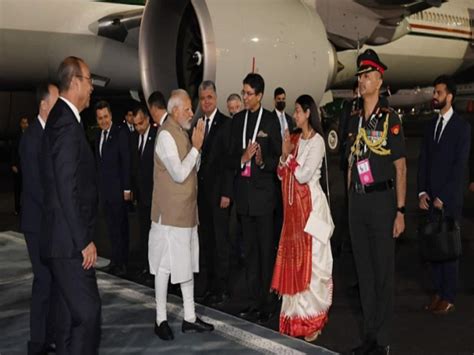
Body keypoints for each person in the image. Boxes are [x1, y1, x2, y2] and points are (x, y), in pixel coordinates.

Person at [345, 49, 406, 355]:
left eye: (367, 76)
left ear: (379, 81)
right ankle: (369, 335)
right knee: (364, 272)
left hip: (382, 202)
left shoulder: (390, 118)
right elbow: (350, 161)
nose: (362, 81)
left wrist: (400, 210)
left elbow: (400, 166)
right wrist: (348, 204)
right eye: (360, 76)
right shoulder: (354, 117)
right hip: (358, 202)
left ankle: (382, 340)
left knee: (382, 272)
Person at [40, 56, 101, 354]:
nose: (91, 88)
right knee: (89, 316)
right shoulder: (65, 123)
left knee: (67, 321)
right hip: (69, 245)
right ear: (75, 81)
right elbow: (67, 187)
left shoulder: (62, 119)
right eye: (89, 81)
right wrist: (83, 241)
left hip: (61, 242)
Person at [148, 89, 214, 341]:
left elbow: (193, 168)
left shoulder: (181, 133)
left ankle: (189, 317)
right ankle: (160, 319)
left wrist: (196, 149)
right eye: (187, 108)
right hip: (170, 215)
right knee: (165, 267)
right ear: (175, 110)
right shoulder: (166, 135)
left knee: (186, 265)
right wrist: (196, 149)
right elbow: (178, 173)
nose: (191, 112)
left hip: (185, 214)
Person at [271, 94, 333, 342]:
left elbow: (304, 175)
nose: (294, 115)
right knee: (294, 261)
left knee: (314, 264)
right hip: (292, 210)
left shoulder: (317, 141)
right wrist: (284, 155)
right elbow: (279, 173)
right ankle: (294, 318)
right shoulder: (294, 139)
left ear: (308, 113)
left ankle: (313, 320)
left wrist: (289, 157)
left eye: (297, 111)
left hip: (312, 209)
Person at [227, 73, 282, 323]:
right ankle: (252, 300)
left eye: (249, 93)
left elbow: (278, 158)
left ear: (259, 95)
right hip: (244, 198)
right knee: (249, 253)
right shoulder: (237, 120)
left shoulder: (270, 120)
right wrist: (243, 159)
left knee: (264, 252)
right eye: (244, 92)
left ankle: (267, 302)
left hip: (264, 198)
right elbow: (229, 157)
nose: (245, 97)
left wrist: (261, 161)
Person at [418, 75, 471, 314]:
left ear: (449, 96)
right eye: (434, 92)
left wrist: (444, 197)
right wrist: (421, 192)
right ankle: (438, 291)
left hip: (448, 199)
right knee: (433, 245)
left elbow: (459, 167)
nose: (434, 96)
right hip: (429, 199)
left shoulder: (462, 128)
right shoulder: (431, 126)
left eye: (438, 92)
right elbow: (423, 162)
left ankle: (449, 295)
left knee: (448, 246)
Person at [19, 83, 59, 354]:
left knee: (51, 281)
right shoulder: (32, 138)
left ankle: (48, 337)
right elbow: (36, 187)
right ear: (44, 105)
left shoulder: (48, 134)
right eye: (57, 102)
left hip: (48, 222)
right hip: (37, 225)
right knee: (43, 281)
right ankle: (37, 343)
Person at [194, 80, 233, 305]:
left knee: (221, 242)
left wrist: (227, 193)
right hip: (202, 195)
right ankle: (210, 285)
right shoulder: (198, 124)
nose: (206, 102)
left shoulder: (226, 124)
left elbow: (229, 162)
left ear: (216, 98)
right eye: (202, 98)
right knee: (206, 241)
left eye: (209, 97)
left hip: (220, 194)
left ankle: (223, 287)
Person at [94, 100, 131, 277]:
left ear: (111, 116)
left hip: (118, 191)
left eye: (106, 117)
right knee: (111, 228)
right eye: (100, 118)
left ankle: (123, 263)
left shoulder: (120, 133)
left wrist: (126, 189)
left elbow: (126, 162)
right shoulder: (98, 136)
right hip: (106, 192)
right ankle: (115, 261)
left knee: (121, 228)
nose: (103, 121)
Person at [131, 104, 157, 279]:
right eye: (135, 124)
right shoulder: (134, 138)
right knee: (143, 231)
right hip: (141, 195)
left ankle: (154, 268)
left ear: (147, 119)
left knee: (155, 235)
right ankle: (145, 265)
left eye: (140, 123)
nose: (138, 127)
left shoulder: (156, 137)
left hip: (154, 195)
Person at [11, 116, 29, 215]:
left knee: (26, 188)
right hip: (18, 166)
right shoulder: (17, 136)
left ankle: (26, 207)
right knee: (18, 188)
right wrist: (13, 164)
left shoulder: (30, 135)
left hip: (27, 167)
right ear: (20, 124)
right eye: (23, 123)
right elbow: (13, 151)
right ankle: (17, 208)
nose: (25, 125)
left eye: (26, 123)